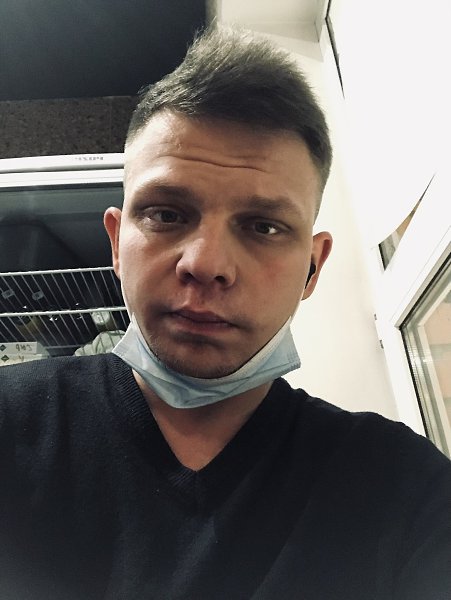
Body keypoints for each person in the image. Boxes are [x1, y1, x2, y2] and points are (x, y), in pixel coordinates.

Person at [1, 26, 450, 600]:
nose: (206, 263)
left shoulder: (401, 488)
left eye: (264, 227)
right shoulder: (10, 423)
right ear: (115, 242)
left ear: (312, 268)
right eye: (166, 214)